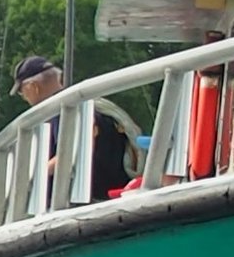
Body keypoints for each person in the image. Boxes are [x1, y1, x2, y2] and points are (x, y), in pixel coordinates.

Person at [16, 53, 142, 200]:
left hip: (92, 201)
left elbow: (74, 152)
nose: (24, 97)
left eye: (21, 91)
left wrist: (34, 175)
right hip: (114, 194)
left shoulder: (63, 111)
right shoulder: (87, 107)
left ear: (33, 87)